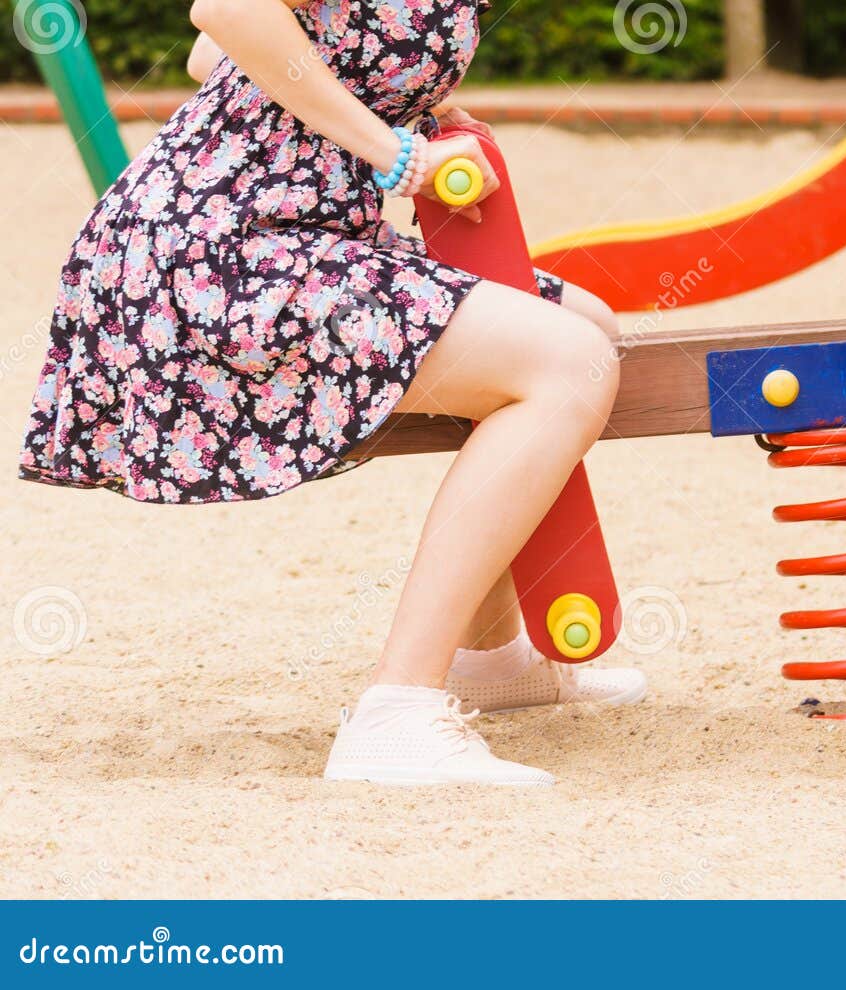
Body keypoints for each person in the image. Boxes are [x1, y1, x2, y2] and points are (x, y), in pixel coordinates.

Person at [18, 0, 646, 787]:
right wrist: (391, 151)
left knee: (587, 323)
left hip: (303, 227)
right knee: (562, 363)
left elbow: (208, 54)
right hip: (222, 246)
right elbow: (226, 10)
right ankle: (398, 710)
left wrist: (407, 98)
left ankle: (487, 657)